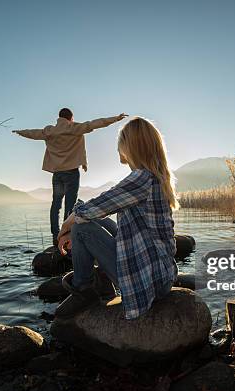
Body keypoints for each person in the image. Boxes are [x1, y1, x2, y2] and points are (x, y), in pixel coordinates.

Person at [55, 117, 179, 319]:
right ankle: (103, 283)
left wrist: (64, 230)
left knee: (81, 228)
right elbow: (102, 205)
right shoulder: (154, 177)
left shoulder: (142, 178)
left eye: (121, 142)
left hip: (148, 281)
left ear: (130, 147)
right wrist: (78, 215)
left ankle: (83, 289)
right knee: (94, 219)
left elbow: (93, 207)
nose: (118, 148)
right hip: (161, 274)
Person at [13, 108, 127, 246]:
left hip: (57, 174)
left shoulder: (50, 131)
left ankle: (56, 236)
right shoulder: (75, 128)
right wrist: (115, 118)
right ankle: (66, 237)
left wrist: (20, 132)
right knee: (70, 205)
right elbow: (96, 123)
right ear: (70, 118)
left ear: (59, 118)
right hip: (72, 173)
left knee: (56, 205)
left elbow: (33, 133)